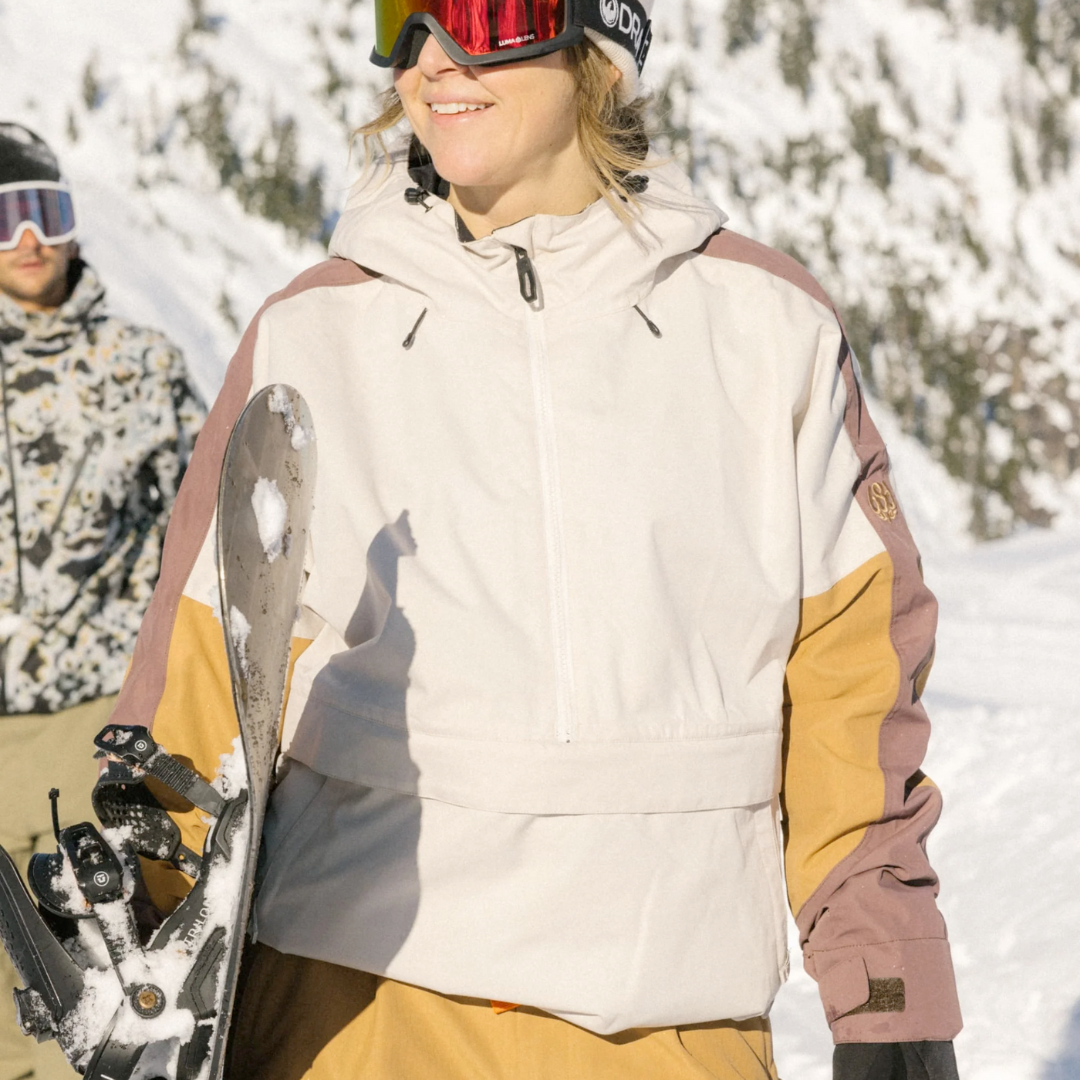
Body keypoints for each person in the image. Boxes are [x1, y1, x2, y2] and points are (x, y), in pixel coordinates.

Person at [111, 1, 963, 1077]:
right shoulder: (312, 333)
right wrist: (143, 940)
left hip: (663, 1016)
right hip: (348, 1006)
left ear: (599, 51)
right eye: (404, 17)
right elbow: (200, 679)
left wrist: (887, 989)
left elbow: (852, 686)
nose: (433, 56)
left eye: (483, 12)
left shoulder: (766, 328)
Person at [0, 123, 205, 1080]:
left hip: (90, 720)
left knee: (90, 986)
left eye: (45, 212)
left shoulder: (142, 365)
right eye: (6, 218)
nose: (28, 239)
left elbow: (198, 534)